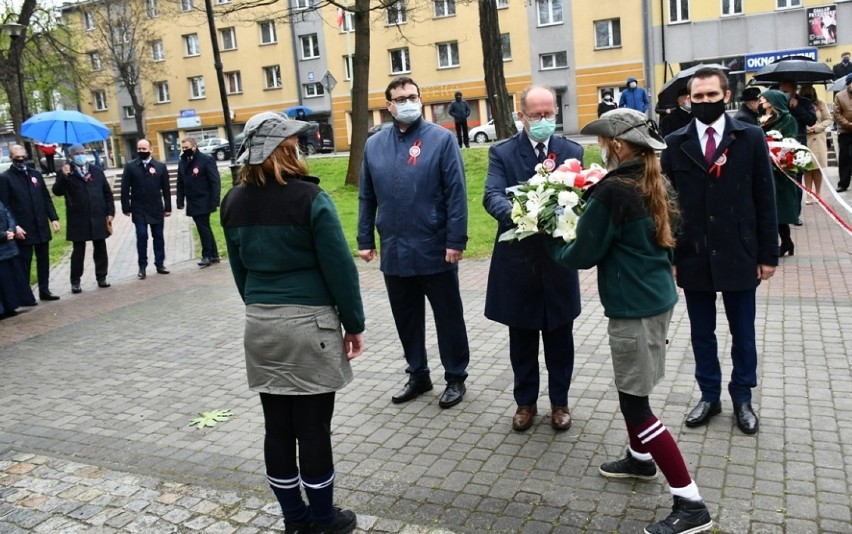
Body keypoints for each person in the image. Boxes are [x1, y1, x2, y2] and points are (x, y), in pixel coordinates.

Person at [548, 108, 713, 534]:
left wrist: (552, 246)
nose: (602, 149)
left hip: (635, 309)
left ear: (618, 146)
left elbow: (584, 253)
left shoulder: (614, 189)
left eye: (604, 144)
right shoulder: (654, 179)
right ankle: (640, 461)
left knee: (635, 403)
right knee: (631, 388)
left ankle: (691, 503)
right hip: (655, 298)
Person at [221, 111, 365, 534]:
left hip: (260, 325)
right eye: (294, 143)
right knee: (313, 428)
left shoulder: (232, 201)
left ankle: (294, 518)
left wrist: (261, 305)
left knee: (277, 428)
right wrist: (353, 323)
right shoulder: (309, 198)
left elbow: (239, 271)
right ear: (286, 149)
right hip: (310, 327)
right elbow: (340, 268)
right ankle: (323, 519)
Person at [661, 67, 778, 436]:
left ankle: (742, 397)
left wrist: (768, 254)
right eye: (699, 97)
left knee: (743, 331)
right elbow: (667, 204)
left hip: (739, 251)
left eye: (712, 96)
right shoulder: (675, 141)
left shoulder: (750, 137)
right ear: (688, 100)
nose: (706, 102)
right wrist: (672, 257)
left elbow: (765, 196)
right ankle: (709, 395)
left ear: (726, 96)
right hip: (693, 253)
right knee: (701, 332)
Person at [358, 76, 471, 409]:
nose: (408, 102)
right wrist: (365, 237)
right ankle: (418, 374)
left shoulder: (441, 139)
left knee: (448, 316)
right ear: (389, 106)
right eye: (401, 98)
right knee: (406, 317)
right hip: (394, 247)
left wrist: (456, 240)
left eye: (413, 96)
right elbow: (366, 196)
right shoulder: (374, 144)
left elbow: (457, 194)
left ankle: (455, 377)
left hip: (435, 246)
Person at [482, 85, 582, 432]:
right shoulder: (503, 153)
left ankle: (560, 403)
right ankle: (525, 403)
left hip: (557, 263)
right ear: (521, 116)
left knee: (560, 339)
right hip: (519, 262)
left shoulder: (572, 150)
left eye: (548, 114)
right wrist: (523, 215)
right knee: (522, 339)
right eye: (536, 115)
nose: (543, 120)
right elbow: (491, 195)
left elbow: (582, 195)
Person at [0, 144, 61, 301]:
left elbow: (46, 198)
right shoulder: (6, 178)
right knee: (25, 261)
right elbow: (5, 205)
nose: (21, 160)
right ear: (11, 158)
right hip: (22, 227)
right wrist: (15, 226)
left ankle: (44, 290)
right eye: (17, 157)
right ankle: (25, 295)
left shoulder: (35, 175)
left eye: (23, 156)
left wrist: (53, 218)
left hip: (40, 224)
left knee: (43, 259)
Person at [51, 144, 114, 293]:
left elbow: (107, 194)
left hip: (98, 215)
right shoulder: (66, 172)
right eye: (76, 154)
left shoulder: (96, 171)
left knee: (100, 247)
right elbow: (57, 191)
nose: (80, 155)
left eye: (82, 153)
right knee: (78, 251)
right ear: (71, 157)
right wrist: (64, 177)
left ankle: (101, 277)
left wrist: (110, 212)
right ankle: (75, 281)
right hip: (78, 218)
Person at [121, 139, 171, 280]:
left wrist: (168, 207)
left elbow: (166, 189)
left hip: (155, 208)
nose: (141, 151)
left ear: (151, 149)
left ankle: (160, 264)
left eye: (144, 149)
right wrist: (126, 207)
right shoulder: (131, 167)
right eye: (139, 149)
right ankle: (142, 266)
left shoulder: (160, 167)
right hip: (139, 208)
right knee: (142, 236)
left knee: (158, 237)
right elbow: (124, 189)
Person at [759, 89, 799, 257]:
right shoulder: (763, 119)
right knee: (772, 208)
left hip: (781, 169)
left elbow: (790, 142)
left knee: (779, 208)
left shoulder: (788, 119)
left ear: (773, 101)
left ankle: (782, 243)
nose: (761, 100)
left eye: (764, 98)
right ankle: (786, 242)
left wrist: (772, 143)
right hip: (767, 168)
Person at [177, 137, 222, 267]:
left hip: (204, 200)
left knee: (202, 227)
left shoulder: (205, 160)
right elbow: (180, 182)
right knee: (204, 227)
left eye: (187, 148)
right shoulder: (182, 162)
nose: (185, 150)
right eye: (183, 148)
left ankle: (207, 255)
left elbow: (215, 181)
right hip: (192, 200)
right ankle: (214, 254)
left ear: (195, 146)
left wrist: (215, 200)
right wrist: (180, 200)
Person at [0, 199, 37, 318]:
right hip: (2, 246)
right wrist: (4, 235)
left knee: (11, 278)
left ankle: (12, 305)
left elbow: (8, 214)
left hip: (9, 245)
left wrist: (11, 230)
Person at [799, 84, 832, 204]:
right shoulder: (799, 103)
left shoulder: (821, 103)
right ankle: (809, 194)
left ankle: (818, 193)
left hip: (818, 139)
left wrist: (816, 128)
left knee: (817, 168)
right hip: (805, 138)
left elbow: (828, 119)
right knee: (807, 168)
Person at [833, 74, 852, 192]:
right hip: (845, 131)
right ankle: (843, 184)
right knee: (844, 158)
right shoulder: (839, 96)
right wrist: (849, 125)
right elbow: (836, 114)